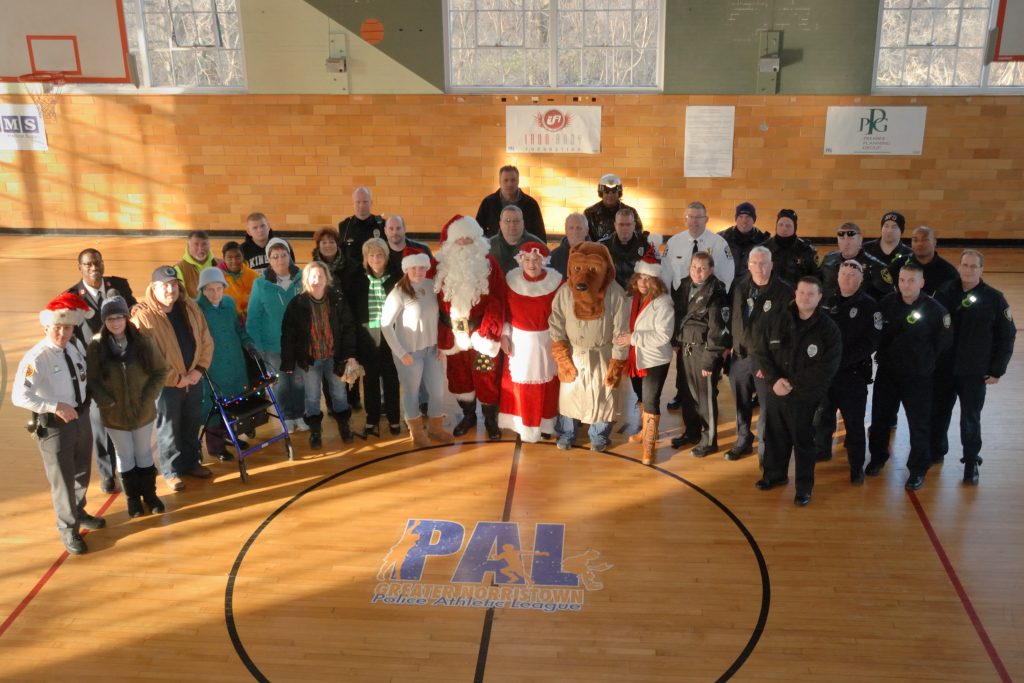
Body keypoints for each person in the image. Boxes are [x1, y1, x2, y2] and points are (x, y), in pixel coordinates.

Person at [12, 293, 107, 555]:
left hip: (81, 418)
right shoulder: (36, 358)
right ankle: (68, 530)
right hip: (55, 426)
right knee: (62, 480)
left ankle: (78, 511)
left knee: (80, 472)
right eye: (57, 328)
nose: (63, 333)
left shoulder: (74, 346)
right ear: (46, 327)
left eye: (67, 328)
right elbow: (19, 396)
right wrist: (54, 406)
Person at [753, 277, 842, 506]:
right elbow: (761, 349)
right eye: (801, 292)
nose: (805, 298)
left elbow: (826, 367)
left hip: (806, 396)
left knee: (803, 443)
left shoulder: (828, 329)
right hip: (776, 391)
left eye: (811, 294)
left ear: (820, 297)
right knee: (774, 437)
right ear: (796, 293)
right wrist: (774, 380)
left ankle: (803, 488)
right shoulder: (777, 318)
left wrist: (791, 383)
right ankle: (774, 476)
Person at [866, 263, 953, 491]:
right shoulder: (885, 305)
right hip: (888, 373)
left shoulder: (936, 310)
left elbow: (942, 344)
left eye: (912, 280)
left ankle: (917, 469)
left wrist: (924, 361)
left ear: (922, 283)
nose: (906, 285)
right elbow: (876, 334)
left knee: (919, 424)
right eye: (903, 280)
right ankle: (877, 459)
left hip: (919, 377)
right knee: (880, 419)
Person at [932, 250, 1016, 485]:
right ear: (959, 267)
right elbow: (932, 327)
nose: (968, 270)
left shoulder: (995, 298)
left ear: (981, 270)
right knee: (938, 413)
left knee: (970, 419)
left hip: (974, 372)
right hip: (945, 369)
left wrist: (997, 369)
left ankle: (970, 462)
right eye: (964, 265)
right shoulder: (944, 292)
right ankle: (936, 452)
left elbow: (1006, 335)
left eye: (973, 266)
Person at [131, 266, 215, 492]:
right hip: (167, 386)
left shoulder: (190, 307)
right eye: (165, 285)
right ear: (154, 288)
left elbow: (206, 339)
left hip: (194, 379)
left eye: (174, 285)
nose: (171, 290)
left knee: (191, 422)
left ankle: (190, 462)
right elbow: (145, 359)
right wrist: (175, 378)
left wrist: (199, 369)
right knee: (168, 429)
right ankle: (171, 471)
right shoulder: (143, 317)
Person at [85, 296, 167, 518]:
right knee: (125, 456)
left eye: (119, 317)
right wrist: (107, 401)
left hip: (143, 412)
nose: (115, 323)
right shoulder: (95, 346)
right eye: (110, 319)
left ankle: (150, 496)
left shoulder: (143, 340)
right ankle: (133, 500)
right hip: (114, 415)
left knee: (143, 455)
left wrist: (148, 397)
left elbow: (160, 371)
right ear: (104, 321)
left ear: (126, 317)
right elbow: (92, 380)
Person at [66, 248, 136, 494]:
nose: (93, 267)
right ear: (81, 268)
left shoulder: (119, 286)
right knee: (99, 423)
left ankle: (132, 467)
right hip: (95, 372)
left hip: (124, 366)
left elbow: (135, 315)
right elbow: (71, 338)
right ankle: (108, 474)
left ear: (103, 263)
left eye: (97, 262)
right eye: (88, 264)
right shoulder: (72, 296)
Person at [549, 242, 629, 452]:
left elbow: (621, 331)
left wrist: (617, 361)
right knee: (569, 397)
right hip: (574, 354)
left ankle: (599, 435)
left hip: (602, 355)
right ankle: (567, 433)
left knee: (604, 397)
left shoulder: (615, 294)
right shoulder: (565, 292)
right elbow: (555, 322)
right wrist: (561, 353)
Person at [436, 215, 508, 440]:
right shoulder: (441, 267)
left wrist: (490, 333)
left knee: (486, 375)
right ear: (451, 243)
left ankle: (489, 419)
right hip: (453, 337)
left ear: (477, 240)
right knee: (459, 378)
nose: (465, 244)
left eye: (469, 239)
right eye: (460, 240)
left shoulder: (489, 265)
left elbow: (499, 298)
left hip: (482, 334)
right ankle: (468, 416)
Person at [812, 260, 881, 483]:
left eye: (853, 275)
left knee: (854, 424)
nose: (847, 278)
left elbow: (870, 342)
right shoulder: (825, 299)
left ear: (861, 279)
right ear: (837, 276)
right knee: (822, 416)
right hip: (825, 374)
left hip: (852, 374)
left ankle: (856, 466)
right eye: (844, 274)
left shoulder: (869, 306)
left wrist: (839, 360)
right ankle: (822, 450)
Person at [661, 201, 734, 411]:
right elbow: (666, 272)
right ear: (685, 219)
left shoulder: (719, 243)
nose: (694, 221)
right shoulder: (675, 242)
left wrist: (715, 299)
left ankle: (710, 393)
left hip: (708, 301)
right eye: (690, 217)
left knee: (708, 348)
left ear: (706, 219)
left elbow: (727, 275)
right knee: (683, 349)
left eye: (698, 217)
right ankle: (681, 392)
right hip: (681, 300)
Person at [725, 245, 794, 461]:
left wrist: (772, 365)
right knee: (741, 403)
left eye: (763, 263)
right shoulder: (740, 287)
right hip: (740, 357)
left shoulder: (784, 292)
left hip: (766, 361)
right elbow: (734, 319)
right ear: (748, 265)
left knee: (768, 408)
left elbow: (787, 333)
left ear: (771, 265)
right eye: (754, 263)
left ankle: (766, 449)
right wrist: (731, 347)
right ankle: (744, 440)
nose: (759, 268)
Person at [281, 261, 360, 448]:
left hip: (335, 357)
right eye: (313, 276)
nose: (317, 280)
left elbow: (348, 327)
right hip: (310, 360)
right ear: (306, 280)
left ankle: (344, 425)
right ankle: (315, 430)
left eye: (320, 276)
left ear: (327, 278)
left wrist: (350, 355)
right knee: (312, 397)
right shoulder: (297, 304)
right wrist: (288, 362)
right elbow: (288, 334)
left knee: (339, 394)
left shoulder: (337, 299)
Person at [380, 250, 454, 447]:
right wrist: (401, 352)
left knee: (437, 391)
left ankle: (435, 427)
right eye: (414, 267)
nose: (418, 271)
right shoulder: (399, 292)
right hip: (409, 353)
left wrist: (443, 345)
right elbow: (386, 325)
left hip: (432, 350)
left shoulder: (432, 286)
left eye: (422, 267)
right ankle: (416, 431)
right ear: (406, 269)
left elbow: (443, 318)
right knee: (412, 392)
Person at [497, 242, 562, 442]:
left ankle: (544, 424)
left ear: (543, 261)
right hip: (519, 343)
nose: (531, 264)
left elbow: (562, 313)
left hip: (546, 342)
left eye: (536, 260)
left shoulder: (556, 282)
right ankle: (521, 424)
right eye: (527, 259)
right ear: (521, 260)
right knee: (519, 385)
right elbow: (504, 313)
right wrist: (504, 335)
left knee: (546, 384)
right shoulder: (510, 280)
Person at [670, 251, 730, 457]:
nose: (698, 271)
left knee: (704, 396)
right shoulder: (685, 286)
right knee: (687, 393)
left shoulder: (716, 293)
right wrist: (675, 339)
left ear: (711, 270)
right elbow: (678, 314)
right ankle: (692, 432)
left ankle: (709, 440)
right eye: (694, 266)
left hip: (703, 351)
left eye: (703, 268)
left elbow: (718, 331)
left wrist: (709, 362)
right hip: (685, 348)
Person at [246, 237, 308, 433]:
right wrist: (258, 347)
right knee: (280, 385)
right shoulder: (260, 285)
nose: (280, 260)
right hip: (272, 346)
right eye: (275, 256)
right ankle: (286, 418)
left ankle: (299, 415)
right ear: (269, 260)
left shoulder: (303, 279)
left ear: (290, 256)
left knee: (298, 382)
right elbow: (253, 318)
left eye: (283, 255)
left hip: (298, 345)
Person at [618, 251, 675, 465]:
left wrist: (632, 338)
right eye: (641, 277)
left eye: (648, 278)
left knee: (651, 400)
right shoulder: (630, 298)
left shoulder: (663, 302)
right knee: (641, 396)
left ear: (656, 280)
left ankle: (649, 447)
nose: (643, 282)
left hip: (655, 359)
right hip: (635, 357)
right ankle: (645, 432)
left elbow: (664, 335)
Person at [344, 238, 403, 437]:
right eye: (371, 255)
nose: (375, 259)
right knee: (369, 381)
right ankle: (372, 419)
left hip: (391, 335)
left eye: (380, 255)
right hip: (367, 336)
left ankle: (394, 418)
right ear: (365, 258)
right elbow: (351, 310)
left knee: (391, 379)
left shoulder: (397, 277)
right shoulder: (357, 279)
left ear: (386, 257)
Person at [196, 268, 257, 460]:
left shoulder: (230, 303)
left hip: (234, 363)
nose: (215, 294)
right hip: (213, 366)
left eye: (218, 289)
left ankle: (232, 436)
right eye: (210, 290)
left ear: (224, 288)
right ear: (202, 290)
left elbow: (238, 329)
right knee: (214, 406)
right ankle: (216, 447)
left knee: (234, 402)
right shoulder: (197, 310)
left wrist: (248, 343)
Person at [817, 222, 893, 299]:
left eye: (851, 238)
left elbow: (889, 298)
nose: (846, 243)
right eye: (842, 238)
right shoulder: (828, 259)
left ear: (860, 240)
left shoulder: (875, 266)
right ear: (837, 241)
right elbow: (815, 285)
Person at [475, 165, 546, 241]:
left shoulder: (530, 204)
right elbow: (477, 230)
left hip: (524, 250)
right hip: (495, 250)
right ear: (500, 181)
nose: (509, 184)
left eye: (513, 180)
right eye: (506, 180)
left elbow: (540, 234)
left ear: (518, 181)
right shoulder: (488, 203)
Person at [598, 208, 656, 290]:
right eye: (621, 224)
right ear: (615, 225)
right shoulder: (603, 246)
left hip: (638, 292)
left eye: (628, 224)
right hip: (611, 293)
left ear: (634, 225)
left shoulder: (646, 245)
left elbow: (654, 274)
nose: (624, 228)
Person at [764, 209, 818, 287]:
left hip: (797, 295)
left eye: (788, 226)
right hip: (770, 294)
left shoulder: (806, 250)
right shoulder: (764, 248)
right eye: (780, 225)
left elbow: (814, 278)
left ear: (795, 228)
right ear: (776, 226)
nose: (784, 228)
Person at [584, 173, 643, 242]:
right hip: (598, 251)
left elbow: (638, 235)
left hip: (624, 251)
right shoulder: (590, 213)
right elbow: (585, 237)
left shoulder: (631, 213)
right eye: (607, 192)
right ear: (601, 193)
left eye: (614, 192)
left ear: (619, 193)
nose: (610, 195)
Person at [718, 202, 769, 280]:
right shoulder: (721, 238)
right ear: (736, 219)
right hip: (725, 286)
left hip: (751, 288)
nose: (744, 221)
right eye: (740, 217)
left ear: (754, 220)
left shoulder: (764, 241)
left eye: (748, 217)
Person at [489, 205, 544, 274]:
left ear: (523, 223)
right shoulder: (487, 246)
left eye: (516, 221)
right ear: (500, 223)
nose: (512, 224)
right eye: (508, 221)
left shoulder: (538, 246)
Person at [906, 225, 959, 295]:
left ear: (934, 242)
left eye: (925, 240)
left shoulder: (948, 272)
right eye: (915, 240)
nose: (919, 244)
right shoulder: (899, 264)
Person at [339, 187, 386, 263]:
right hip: (352, 274)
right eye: (358, 202)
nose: (361, 205)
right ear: (353, 204)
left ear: (371, 203)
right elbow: (341, 255)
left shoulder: (382, 225)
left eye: (365, 202)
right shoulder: (345, 226)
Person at [217, 241, 259, 325]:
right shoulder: (216, 278)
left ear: (243, 257)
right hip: (227, 324)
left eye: (238, 257)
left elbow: (260, 300)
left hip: (252, 322)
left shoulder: (254, 276)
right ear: (224, 259)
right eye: (229, 257)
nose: (234, 261)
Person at [174, 230, 220, 299]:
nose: (200, 249)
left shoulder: (220, 264)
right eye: (196, 244)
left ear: (209, 245)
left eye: (204, 244)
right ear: (188, 246)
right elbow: (180, 298)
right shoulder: (179, 268)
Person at [383, 215, 433, 279]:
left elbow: (433, 276)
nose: (395, 232)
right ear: (385, 231)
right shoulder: (379, 253)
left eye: (398, 228)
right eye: (391, 228)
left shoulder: (423, 250)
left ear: (404, 229)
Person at [549, 212, 589, 278]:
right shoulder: (553, 256)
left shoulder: (597, 253)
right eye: (571, 228)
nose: (575, 232)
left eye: (579, 228)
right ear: (566, 231)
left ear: (587, 231)